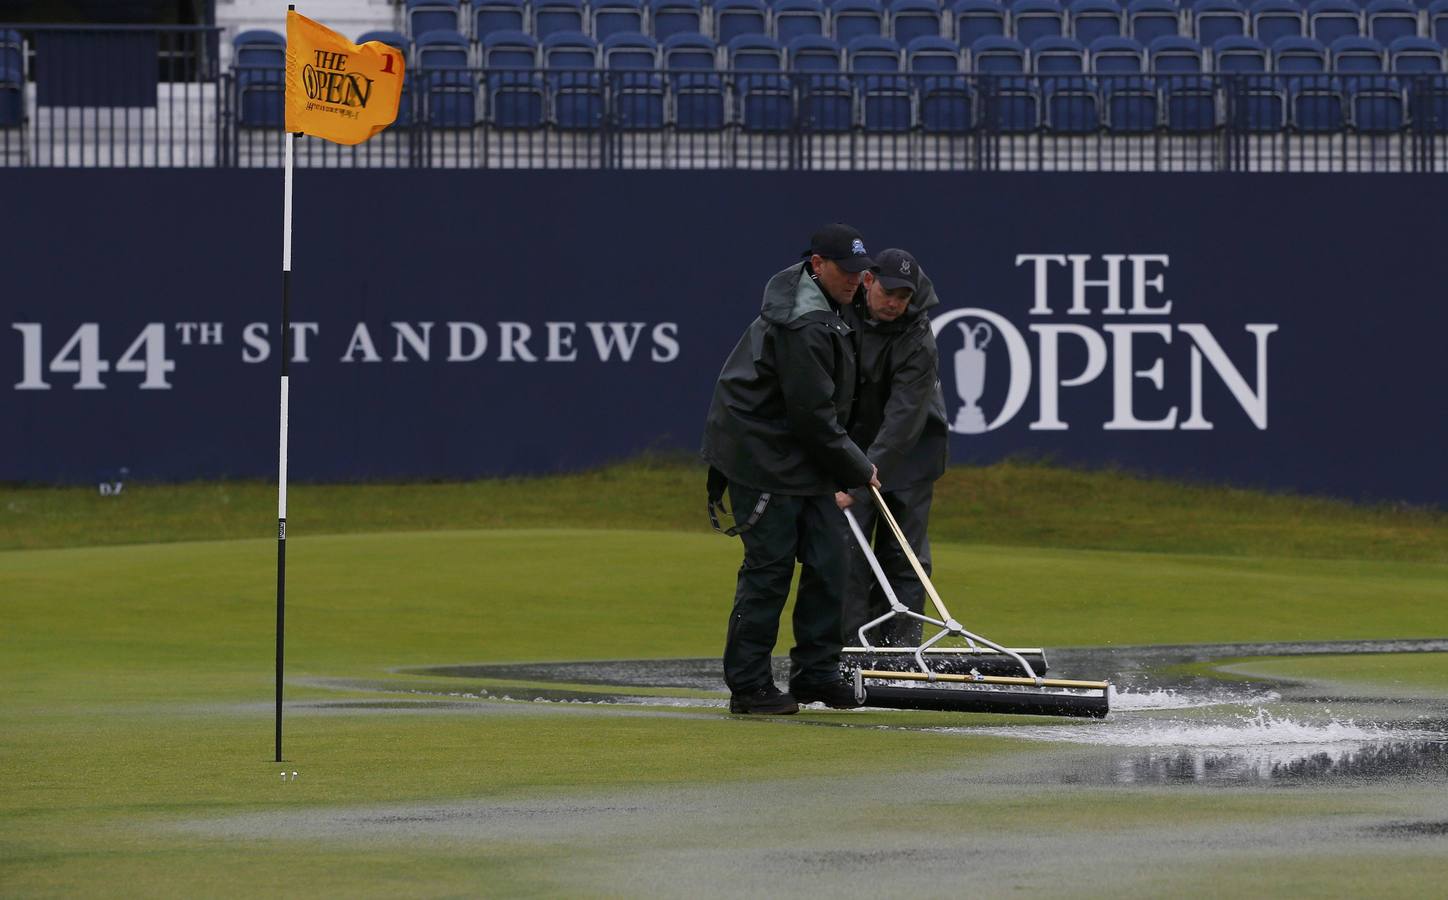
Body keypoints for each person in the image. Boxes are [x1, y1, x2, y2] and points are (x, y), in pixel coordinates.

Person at [701, 224, 881, 715]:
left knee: (830, 562)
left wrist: (847, 461)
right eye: (845, 270)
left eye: (861, 271)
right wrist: (857, 465)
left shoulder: (833, 306)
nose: (854, 279)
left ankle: (816, 673)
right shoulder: (803, 321)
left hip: (797, 454)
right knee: (769, 570)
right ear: (818, 265)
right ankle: (750, 686)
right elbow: (812, 416)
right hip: (760, 455)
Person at [837, 248, 949, 649]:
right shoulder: (840, 314)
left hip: (910, 455)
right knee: (848, 555)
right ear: (869, 281)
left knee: (905, 558)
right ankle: (847, 654)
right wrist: (843, 464)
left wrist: (860, 474)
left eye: (903, 296)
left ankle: (898, 658)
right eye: (888, 292)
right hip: (853, 448)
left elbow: (903, 419)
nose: (894, 303)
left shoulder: (919, 337)